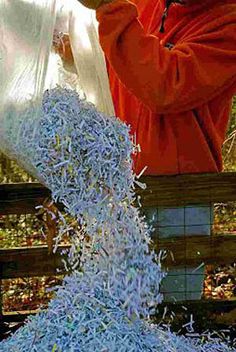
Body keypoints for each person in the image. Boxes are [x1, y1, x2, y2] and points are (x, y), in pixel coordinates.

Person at [55, 0, 236, 301]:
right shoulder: (144, 5)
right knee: (121, 309)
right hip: (123, 188)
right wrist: (76, 49)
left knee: (175, 314)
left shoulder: (227, 24)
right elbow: (124, 61)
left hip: (179, 197)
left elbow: (166, 85)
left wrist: (108, 7)